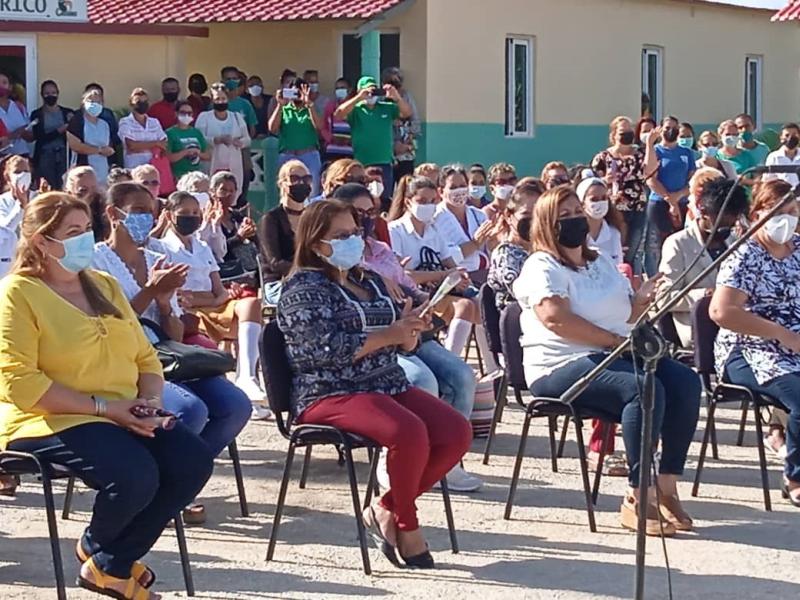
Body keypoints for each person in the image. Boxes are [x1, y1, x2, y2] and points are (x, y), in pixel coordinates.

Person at [0, 192, 214, 598]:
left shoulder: (104, 284)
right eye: (72, 233)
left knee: (191, 460)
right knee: (135, 474)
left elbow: (146, 359)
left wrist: (148, 403)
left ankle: (108, 561)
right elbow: (21, 385)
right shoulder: (17, 293)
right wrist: (107, 408)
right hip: (49, 416)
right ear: (42, 241)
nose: (84, 240)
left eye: (86, 230)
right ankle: (106, 553)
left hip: (122, 409)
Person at [277, 199, 473, 567]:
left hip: (385, 381)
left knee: (455, 431)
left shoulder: (367, 278)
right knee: (408, 431)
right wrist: (389, 334)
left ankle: (384, 508)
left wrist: (409, 330)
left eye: (354, 233)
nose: (352, 240)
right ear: (317, 242)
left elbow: (402, 340)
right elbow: (323, 352)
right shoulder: (302, 288)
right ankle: (407, 525)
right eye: (340, 235)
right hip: (330, 390)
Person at [514, 185, 701, 535]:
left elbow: (625, 313)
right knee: (643, 388)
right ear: (546, 225)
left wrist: (641, 302)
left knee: (685, 382)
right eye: (563, 216)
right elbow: (557, 318)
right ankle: (637, 495)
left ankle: (666, 487)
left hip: (614, 353)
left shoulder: (599, 260)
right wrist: (615, 342)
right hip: (560, 364)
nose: (574, 220)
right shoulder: (540, 267)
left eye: (576, 212)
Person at [333, 182, 483, 492]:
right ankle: (406, 460)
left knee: (462, 375)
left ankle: (448, 461)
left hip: (413, 331)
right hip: (382, 339)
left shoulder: (382, 251)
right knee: (422, 381)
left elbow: (408, 286)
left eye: (371, 212)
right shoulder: (341, 258)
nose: (366, 220)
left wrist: (423, 303)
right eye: (358, 213)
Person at [93, 182, 252, 460]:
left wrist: (165, 305)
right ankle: (166, 481)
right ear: (114, 214)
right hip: (125, 362)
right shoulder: (97, 261)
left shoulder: (159, 257)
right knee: (190, 411)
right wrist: (150, 291)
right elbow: (110, 327)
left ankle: (184, 478)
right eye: (138, 210)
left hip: (166, 357)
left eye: (151, 212)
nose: (146, 219)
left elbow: (175, 336)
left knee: (235, 405)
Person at [710, 178, 800, 508]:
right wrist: (782, 334)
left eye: (792, 211)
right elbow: (722, 311)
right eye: (778, 211)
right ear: (757, 213)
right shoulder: (745, 256)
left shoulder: (799, 249)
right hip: (750, 350)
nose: (787, 219)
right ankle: (795, 478)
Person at [158, 191, 267, 408]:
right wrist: (211, 299)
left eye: (196, 212)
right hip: (188, 315)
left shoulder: (202, 247)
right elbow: (179, 296)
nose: (192, 217)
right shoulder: (162, 248)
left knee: (251, 304)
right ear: (169, 216)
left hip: (211, 307)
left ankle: (246, 376)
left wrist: (212, 298)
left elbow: (219, 291)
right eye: (185, 213)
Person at [387, 175, 483, 362]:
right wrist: (444, 274)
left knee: (480, 304)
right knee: (464, 307)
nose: (428, 206)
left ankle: (492, 369)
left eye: (432, 201)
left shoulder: (434, 229)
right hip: (413, 296)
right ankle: (451, 359)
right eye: (422, 201)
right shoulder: (395, 230)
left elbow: (450, 264)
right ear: (408, 202)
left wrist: (459, 278)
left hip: (439, 291)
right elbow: (404, 276)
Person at [659, 177, 748, 348]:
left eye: (730, 223)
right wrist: (705, 294)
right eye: (720, 222)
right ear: (702, 210)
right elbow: (663, 298)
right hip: (703, 333)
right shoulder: (678, 243)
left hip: (741, 325)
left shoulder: (738, 241)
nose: (725, 229)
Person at [592, 116, 657, 272]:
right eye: (622, 131)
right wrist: (604, 179)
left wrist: (649, 145)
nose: (626, 134)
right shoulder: (604, 157)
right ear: (614, 134)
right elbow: (591, 182)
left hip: (638, 207)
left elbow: (650, 170)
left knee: (632, 249)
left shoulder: (639, 154)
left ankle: (627, 278)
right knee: (615, 247)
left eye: (629, 131)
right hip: (615, 209)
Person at [334, 76, 412, 199]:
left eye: (374, 90)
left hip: (384, 162)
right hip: (362, 163)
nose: (371, 94)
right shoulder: (356, 109)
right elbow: (338, 114)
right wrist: (359, 98)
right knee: (360, 197)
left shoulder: (386, 107)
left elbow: (407, 113)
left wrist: (397, 97)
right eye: (368, 91)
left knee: (384, 199)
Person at [645, 115, 695, 276]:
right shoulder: (656, 151)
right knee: (657, 244)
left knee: (680, 241)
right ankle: (657, 277)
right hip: (659, 203)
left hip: (682, 203)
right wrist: (669, 199)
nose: (670, 130)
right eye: (667, 127)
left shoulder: (686, 153)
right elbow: (650, 178)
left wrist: (678, 196)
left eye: (674, 127)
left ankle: (680, 275)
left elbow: (692, 179)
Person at [258, 160, 311, 305]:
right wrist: (306, 272)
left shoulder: (311, 217)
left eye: (306, 179)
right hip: (278, 283)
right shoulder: (271, 219)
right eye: (294, 178)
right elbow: (275, 263)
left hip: (311, 279)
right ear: (282, 184)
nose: (301, 183)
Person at [485, 178, 540, 310]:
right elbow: (525, 297)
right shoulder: (505, 255)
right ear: (509, 216)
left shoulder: (543, 249)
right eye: (526, 214)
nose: (532, 220)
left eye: (537, 214)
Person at [269, 78, 322, 196]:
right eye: (294, 92)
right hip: (288, 155)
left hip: (309, 155)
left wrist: (309, 105)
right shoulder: (285, 109)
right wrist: (280, 105)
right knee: (286, 190)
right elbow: (272, 128)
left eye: (300, 92)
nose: (297, 95)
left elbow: (319, 127)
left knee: (311, 191)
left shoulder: (311, 108)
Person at [195, 83, 251, 194]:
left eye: (223, 98)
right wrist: (217, 140)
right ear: (212, 100)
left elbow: (247, 139)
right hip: (212, 162)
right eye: (217, 99)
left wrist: (238, 142)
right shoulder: (204, 117)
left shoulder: (236, 117)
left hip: (233, 163)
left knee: (233, 192)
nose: (220, 102)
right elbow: (199, 139)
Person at [434, 164, 490, 274]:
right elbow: (444, 258)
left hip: (484, 275)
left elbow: (488, 250)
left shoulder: (479, 215)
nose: (459, 191)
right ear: (441, 191)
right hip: (457, 279)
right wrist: (474, 244)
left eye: (463, 185)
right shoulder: (434, 219)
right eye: (453, 187)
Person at [208, 171, 259, 273]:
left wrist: (251, 233)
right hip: (223, 271)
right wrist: (238, 238)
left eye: (232, 190)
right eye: (223, 190)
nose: (228, 194)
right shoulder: (209, 220)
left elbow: (256, 242)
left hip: (247, 270)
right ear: (212, 192)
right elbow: (215, 251)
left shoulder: (237, 216)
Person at [66, 88, 115, 185]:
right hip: (83, 170)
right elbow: (75, 146)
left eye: (98, 102)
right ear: (84, 103)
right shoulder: (77, 122)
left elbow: (108, 145)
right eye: (91, 101)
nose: (95, 104)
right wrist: (99, 150)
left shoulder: (104, 125)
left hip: (102, 171)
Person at [31, 80, 73, 190]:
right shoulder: (37, 114)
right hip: (45, 156)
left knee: (64, 186)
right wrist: (59, 130)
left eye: (53, 93)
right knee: (48, 188)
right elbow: (39, 137)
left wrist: (72, 122)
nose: (50, 96)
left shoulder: (67, 112)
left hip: (64, 155)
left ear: (58, 93)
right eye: (47, 93)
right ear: (42, 95)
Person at [382, 67, 420, 185]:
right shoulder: (379, 98)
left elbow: (415, 123)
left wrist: (406, 144)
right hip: (385, 152)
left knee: (406, 186)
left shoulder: (406, 97)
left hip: (405, 153)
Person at [577, 173, 625, 265]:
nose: (600, 202)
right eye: (594, 199)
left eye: (604, 198)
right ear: (582, 203)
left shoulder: (614, 233)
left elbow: (619, 266)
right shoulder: (575, 235)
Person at [118, 88, 167, 170]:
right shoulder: (125, 122)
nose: (142, 104)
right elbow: (131, 146)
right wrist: (155, 144)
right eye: (138, 102)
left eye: (145, 102)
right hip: (133, 168)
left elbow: (164, 144)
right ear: (131, 103)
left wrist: (141, 146)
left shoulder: (154, 122)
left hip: (153, 168)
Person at [0, 156, 32, 279]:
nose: (23, 175)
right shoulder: (2, 202)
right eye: (18, 172)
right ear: (7, 177)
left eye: (26, 171)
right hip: (8, 262)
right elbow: (5, 231)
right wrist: (21, 205)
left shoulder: (39, 197)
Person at [166, 101, 210, 181]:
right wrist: (185, 152)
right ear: (176, 114)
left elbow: (208, 155)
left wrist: (197, 152)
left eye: (189, 113)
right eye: (183, 112)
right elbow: (168, 157)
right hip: (178, 176)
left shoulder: (196, 132)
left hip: (196, 175)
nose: (186, 115)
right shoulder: (170, 133)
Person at [65, 166, 108, 242]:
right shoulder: (63, 217)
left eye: (94, 189)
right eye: (83, 190)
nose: (90, 194)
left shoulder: (105, 214)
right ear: (69, 193)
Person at [321, 77, 354, 163]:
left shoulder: (355, 107)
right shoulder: (330, 106)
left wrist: (352, 140)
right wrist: (330, 138)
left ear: (349, 90)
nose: (339, 91)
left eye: (342, 88)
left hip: (350, 151)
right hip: (332, 151)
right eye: (337, 88)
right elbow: (323, 127)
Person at [0, 71, 32, 157]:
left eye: (4, 83)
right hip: (2, 156)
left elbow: (30, 137)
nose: (1, 86)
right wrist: (13, 135)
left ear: (10, 87)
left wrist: (25, 133)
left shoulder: (19, 107)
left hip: (22, 156)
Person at [765, 123, 800, 188]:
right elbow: (767, 181)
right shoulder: (773, 157)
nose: (790, 138)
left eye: (794, 135)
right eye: (787, 135)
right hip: (782, 196)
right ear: (781, 138)